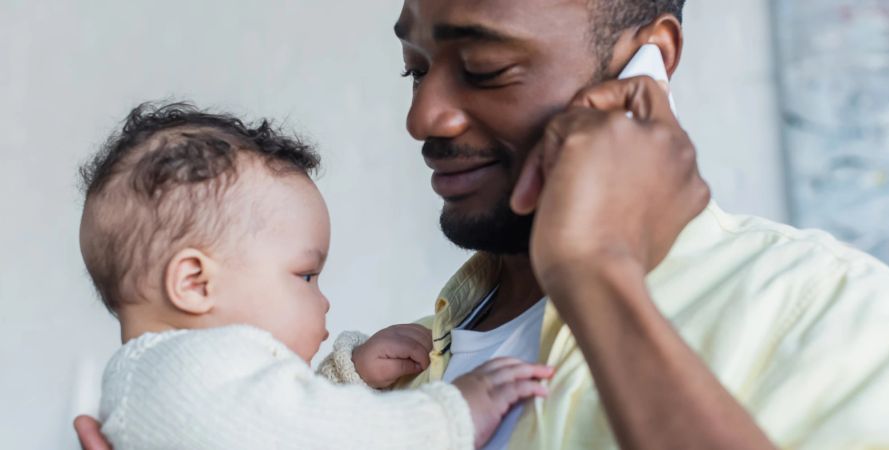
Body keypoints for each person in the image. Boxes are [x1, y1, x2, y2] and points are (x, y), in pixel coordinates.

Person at [79, 0, 889, 449]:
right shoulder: (401, 370)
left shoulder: (834, 312)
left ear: (646, 64)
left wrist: (595, 271)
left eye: (485, 68)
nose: (424, 115)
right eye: (415, 69)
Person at [75, 102, 554, 450]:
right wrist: (452, 415)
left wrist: (352, 376)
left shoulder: (173, 383)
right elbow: (322, 436)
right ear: (195, 284)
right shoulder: (187, 376)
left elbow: (289, 423)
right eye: (305, 276)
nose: (323, 301)